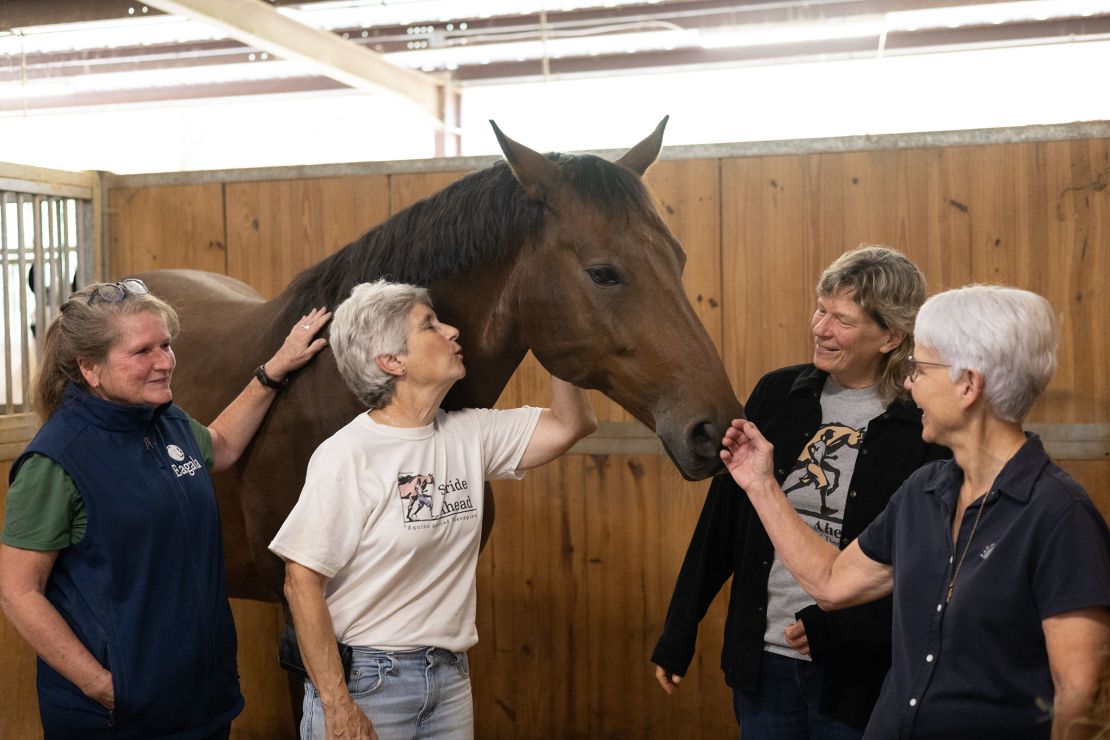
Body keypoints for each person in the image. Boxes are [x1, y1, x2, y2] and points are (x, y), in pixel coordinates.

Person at [719, 284, 1110, 739]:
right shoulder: (922, 492)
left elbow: (1081, 695)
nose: (908, 382)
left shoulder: (1060, 515)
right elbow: (829, 582)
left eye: (920, 368)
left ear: (968, 385)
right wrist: (761, 483)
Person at [0, 278, 331, 739]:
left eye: (166, 345)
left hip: (202, 701)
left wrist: (274, 369)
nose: (165, 362)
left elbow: (222, 444)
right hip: (119, 718)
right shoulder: (54, 461)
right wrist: (104, 687)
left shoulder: (163, 419)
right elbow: (17, 591)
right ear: (90, 368)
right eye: (142, 352)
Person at [268, 279, 597, 740]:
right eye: (431, 325)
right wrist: (337, 705)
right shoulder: (348, 455)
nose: (453, 331)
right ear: (391, 361)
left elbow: (572, 424)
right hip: (367, 682)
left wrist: (558, 345)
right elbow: (300, 579)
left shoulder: (470, 434)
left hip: (448, 680)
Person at [652, 246, 950, 738]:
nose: (820, 328)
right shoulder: (777, 392)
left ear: (891, 336)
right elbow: (724, 521)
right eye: (820, 308)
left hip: (861, 679)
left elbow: (925, 569)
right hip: (762, 664)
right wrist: (678, 631)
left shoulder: (923, 421)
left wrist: (844, 632)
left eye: (842, 320)